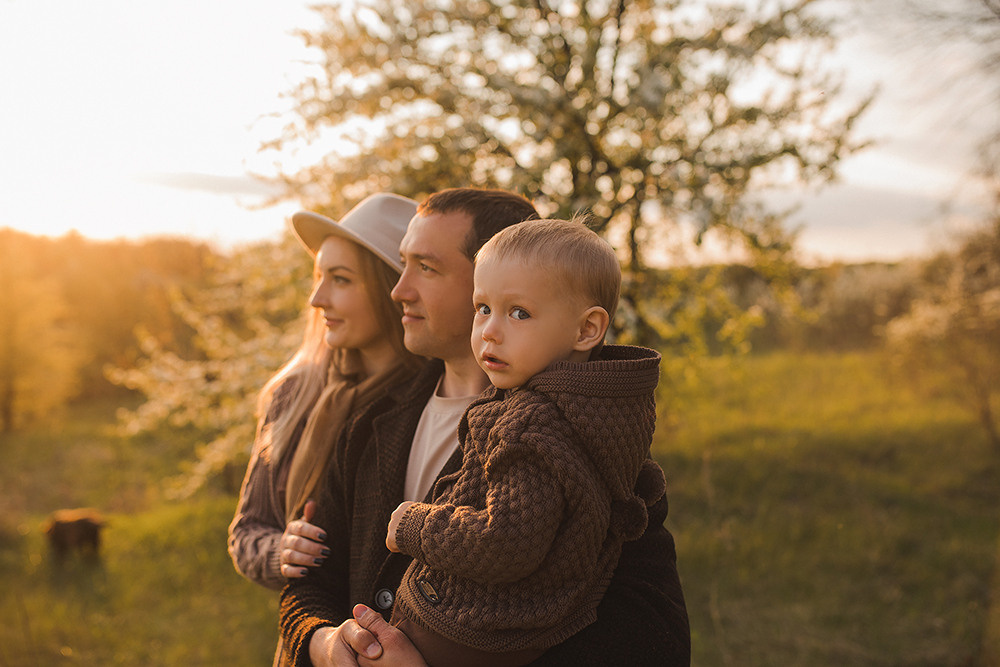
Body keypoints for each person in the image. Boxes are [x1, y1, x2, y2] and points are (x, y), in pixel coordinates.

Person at [279, 188, 690, 666]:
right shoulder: (371, 420)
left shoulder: (587, 448)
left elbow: (654, 641)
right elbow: (309, 577)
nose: (399, 289)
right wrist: (323, 643)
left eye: (426, 268)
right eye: (402, 263)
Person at [384, 217, 670, 667]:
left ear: (586, 330)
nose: (489, 331)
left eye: (519, 313)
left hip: (471, 629)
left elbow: (506, 543)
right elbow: (637, 487)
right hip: (538, 623)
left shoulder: (530, 423)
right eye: (482, 308)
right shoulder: (605, 409)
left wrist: (415, 525)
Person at [227, 193, 424, 662]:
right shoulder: (295, 394)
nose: (317, 299)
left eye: (340, 280)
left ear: (390, 288)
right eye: (320, 278)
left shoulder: (434, 398)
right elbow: (247, 530)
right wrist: (281, 550)